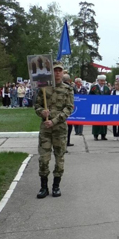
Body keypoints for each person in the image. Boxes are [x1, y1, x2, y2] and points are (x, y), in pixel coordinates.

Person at [34, 62, 74, 198]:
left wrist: (55, 121)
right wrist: (42, 113)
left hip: (60, 129)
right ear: (51, 72)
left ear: (63, 73)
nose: (57, 73)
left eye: (59, 71)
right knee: (43, 159)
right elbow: (37, 105)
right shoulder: (43, 88)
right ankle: (43, 187)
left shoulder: (68, 89)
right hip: (45, 129)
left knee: (59, 159)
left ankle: (56, 186)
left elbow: (69, 108)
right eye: (55, 70)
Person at [89, 75, 111, 140]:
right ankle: (95, 135)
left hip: (104, 107)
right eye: (101, 81)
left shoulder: (107, 88)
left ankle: (103, 135)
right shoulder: (94, 87)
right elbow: (90, 96)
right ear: (98, 81)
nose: (102, 82)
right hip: (96, 107)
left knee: (104, 121)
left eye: (103, 81)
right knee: (96, 121)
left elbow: (109, 97)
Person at [63, 74, 76, 147]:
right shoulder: (71, 88)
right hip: (69, 110)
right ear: (69, 80)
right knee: (69, 128)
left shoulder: (58, 87)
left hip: (60, 110)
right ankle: (67, 142)